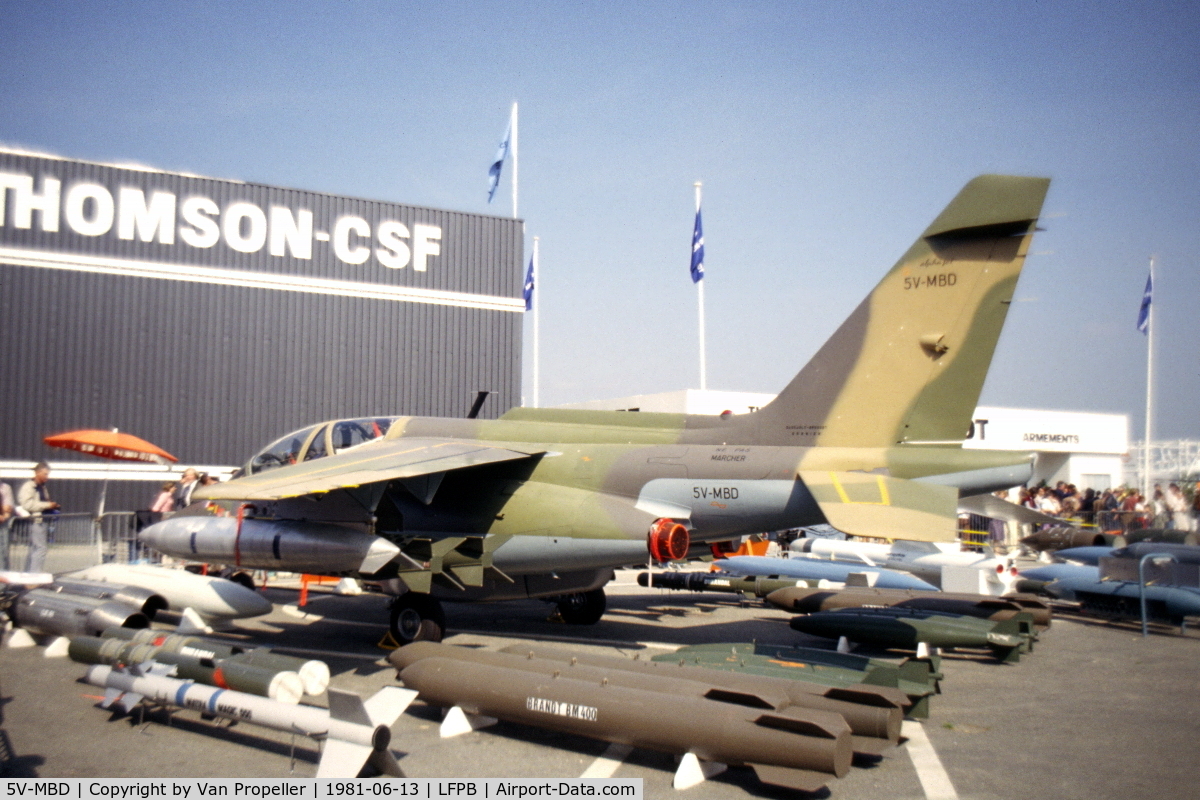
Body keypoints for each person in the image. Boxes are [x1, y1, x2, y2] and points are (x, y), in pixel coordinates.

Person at [17, 462, 59, 572]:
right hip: (35, 521)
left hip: (42, 520)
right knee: (41, 548)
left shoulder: (42, 487)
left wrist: (52, 506)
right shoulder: (28, 487)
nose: (47, 477)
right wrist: (47, 505)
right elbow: (26, 504)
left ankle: (28, 574)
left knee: (34, 548)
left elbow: (41, 502)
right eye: (45, 474)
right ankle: (35, 575)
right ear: (37, 473)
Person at [0, 480, 14, 571]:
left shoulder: (6, 488)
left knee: (3, 553)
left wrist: (5, 515)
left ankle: (3, 581)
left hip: (3, 524)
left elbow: (8, 508)